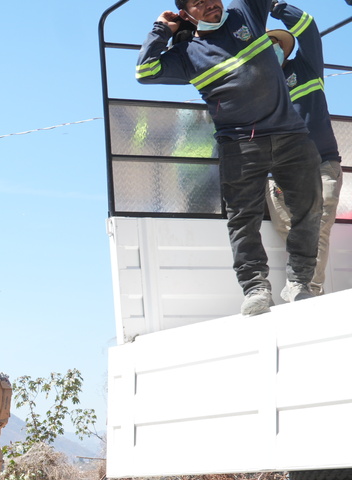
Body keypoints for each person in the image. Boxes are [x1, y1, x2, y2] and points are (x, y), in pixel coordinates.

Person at [136, 0, 324, 315]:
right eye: (198, 3)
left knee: (308, 209)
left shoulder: (244, 12)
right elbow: (145, 70)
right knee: (243, 219)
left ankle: (299, 283)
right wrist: (161, 29)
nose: (211, 4)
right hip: (240, 144)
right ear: (186, 14)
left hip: (291, 135)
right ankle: (255, 288)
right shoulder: (186, 56)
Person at [265, 5, 342, 296]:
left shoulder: (306, 68)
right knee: (294, 233)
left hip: (323, 163)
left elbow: (308, 28)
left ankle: (306, 289)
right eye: (265, 47)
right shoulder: (254, 86)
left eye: (276, 45)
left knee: (319, 223)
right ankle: (306, 290)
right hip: (281, 174)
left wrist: (276, 7)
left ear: (285, 50)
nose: (272, 50)